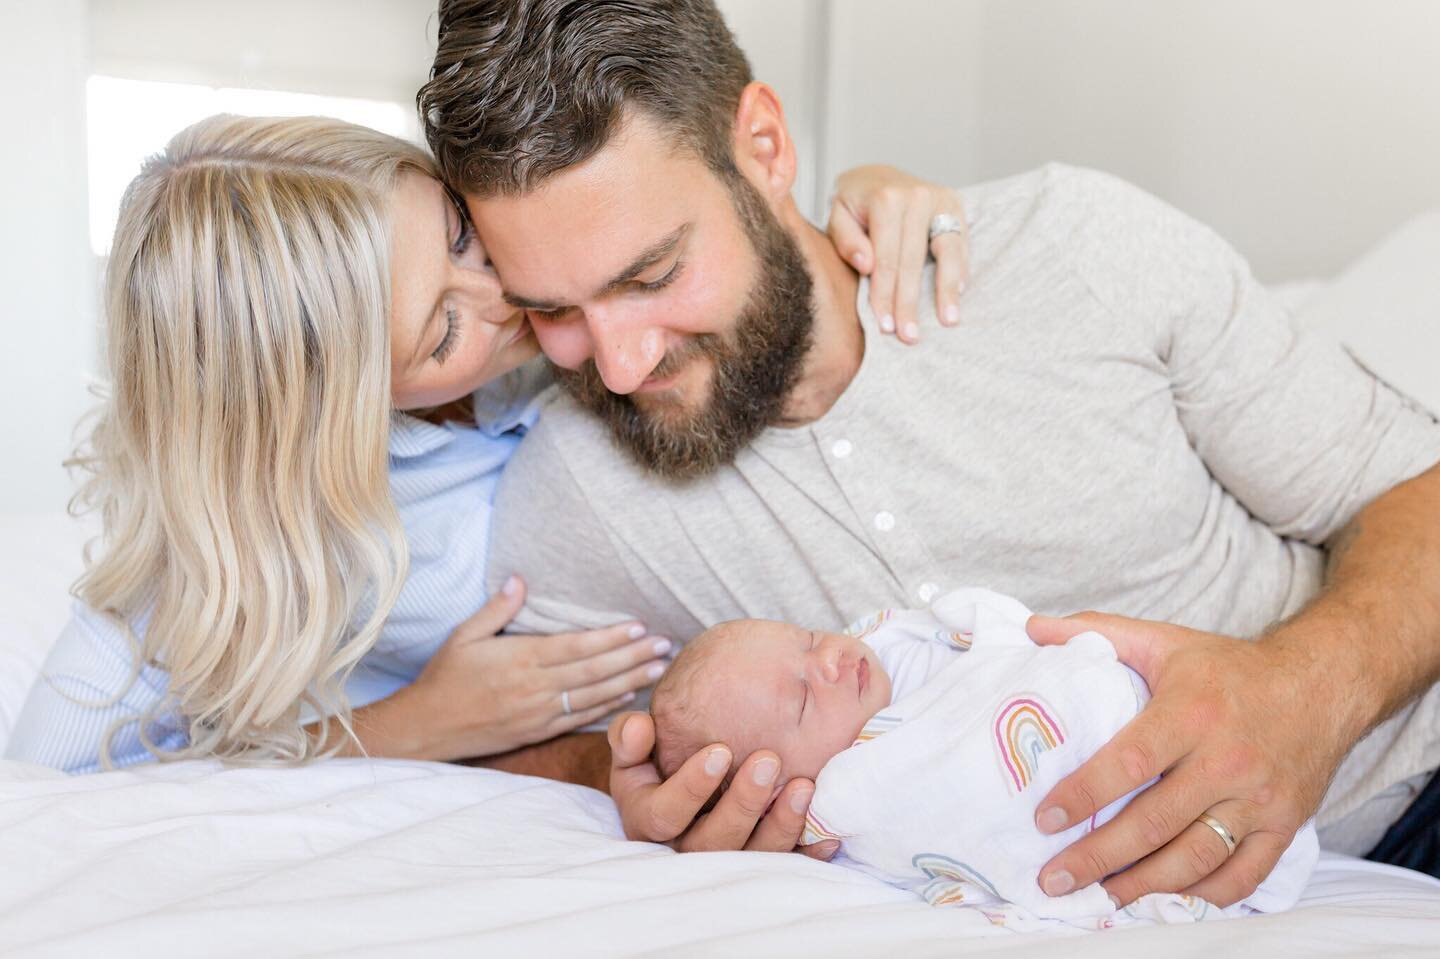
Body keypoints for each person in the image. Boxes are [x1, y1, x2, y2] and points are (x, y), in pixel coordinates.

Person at [417, 0, 1440, 907]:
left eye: (654, 273)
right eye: (553, 309)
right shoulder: (578, 492)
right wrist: (635, 782)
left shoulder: (1070, 248)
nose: (623, 363)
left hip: (1412, 774)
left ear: (766, 149)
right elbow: (524, 740)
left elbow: (1409, 487)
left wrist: (1307, 693)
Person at [4, 112, 966, 774]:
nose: (509, 294)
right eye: (441, 331)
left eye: (462, 234)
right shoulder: (254, 548)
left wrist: (867, 187)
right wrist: (403, 728)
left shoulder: (565, 304)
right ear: (332, 409)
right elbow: (48, 783)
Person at [649, 588, 1317, 925]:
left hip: (1251, 736)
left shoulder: (908, 644)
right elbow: (962, 799)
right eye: (800, 699)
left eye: (805, 639)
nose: (829, 659)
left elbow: (996, 637)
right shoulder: (858, 789)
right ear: (776, 790)